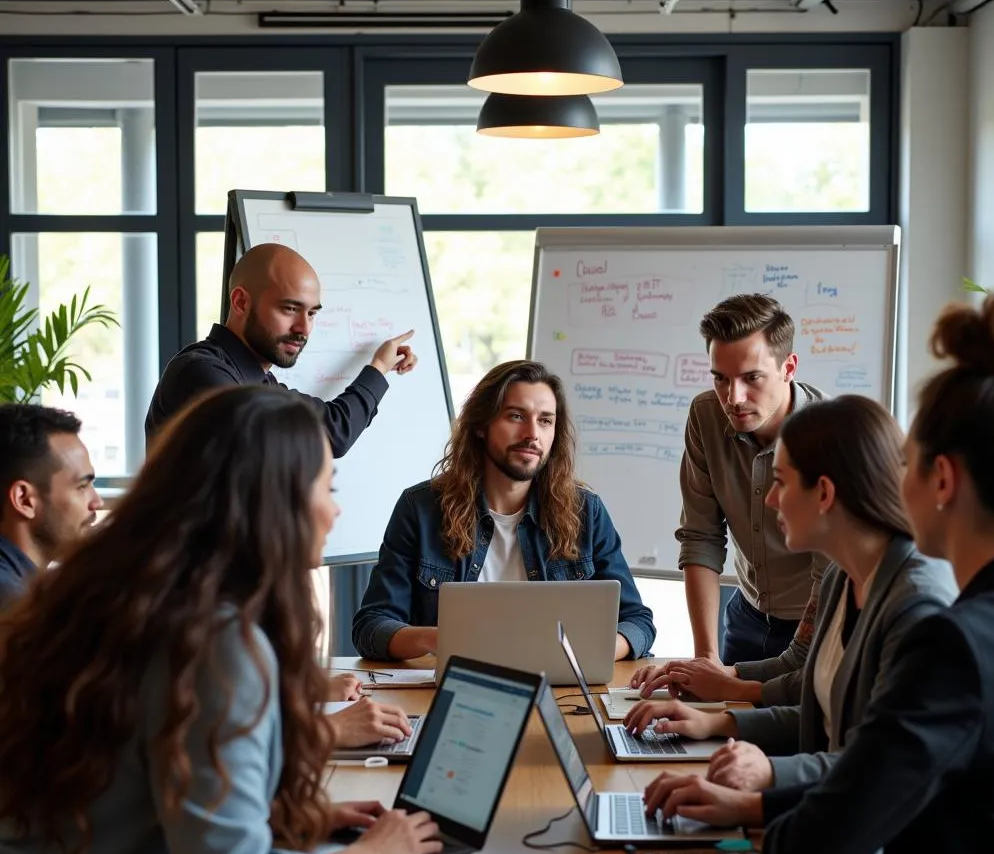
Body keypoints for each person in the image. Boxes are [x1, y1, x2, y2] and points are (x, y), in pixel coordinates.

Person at [0, 386, 442, 854]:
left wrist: (286, 819)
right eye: (328, 488)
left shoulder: (121, 593)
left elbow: (145, 782)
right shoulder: (216, 641)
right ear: (273, 502)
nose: (334, 513)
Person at [642, 293, 994, 854]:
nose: (890, 479)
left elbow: (827, 843)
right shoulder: (982, 618)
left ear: (941, 481)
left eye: (905, 462)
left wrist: (755, 808)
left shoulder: (951, 636)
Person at [624, 396, 956, 789]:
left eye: (780, 481)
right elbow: (819, 712)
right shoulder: (842, 578)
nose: (769, 499)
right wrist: (714, 721)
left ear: (825, 493)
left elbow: (881, 769)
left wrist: (762, 791)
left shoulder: (917, 604)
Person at [352, 360, 655, 662]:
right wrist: (440, 639)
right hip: (453, 691)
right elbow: (372, 626)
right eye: (516, 416)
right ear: (482, 426)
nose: (532, 434)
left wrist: (586, 656)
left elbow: (637, 623)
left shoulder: (586, 512)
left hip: (563, 691)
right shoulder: (420, 508)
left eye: (545, 420)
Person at [144, 243, 417, 455]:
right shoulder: (202, 374)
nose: (304, 328)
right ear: (240, 302)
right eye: (290, 309)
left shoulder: (258, 381)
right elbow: (333, 433)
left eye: (311, 314)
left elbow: (333, 428)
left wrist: (380, 367)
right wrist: (377, 369)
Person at [678, 293, 826, 665]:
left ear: (788, 367)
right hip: (745, 615)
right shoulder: (705, 415)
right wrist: (705, 659)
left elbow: (831, 571)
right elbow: (701, 536)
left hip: (815, 625)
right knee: (716, 719)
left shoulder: (831, 434)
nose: (734, 398)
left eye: (751, 378)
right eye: (720, 379)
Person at [0, 404, 102, 610]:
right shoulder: (13, 610)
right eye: (82, 486)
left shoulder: (25, 590)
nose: (97, 502)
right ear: (24, 500)